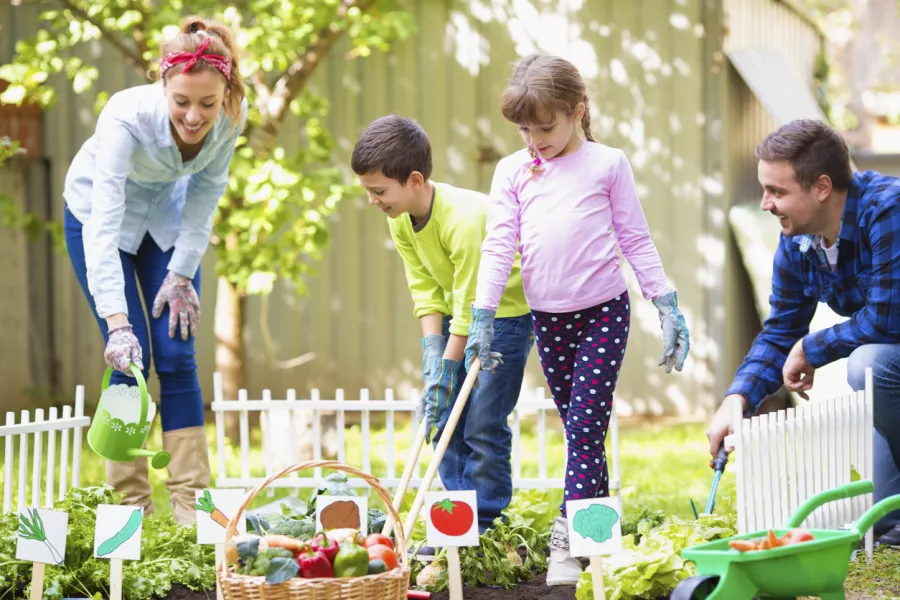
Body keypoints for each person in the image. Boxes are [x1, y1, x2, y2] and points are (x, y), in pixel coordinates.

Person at [464, 53, 690, 585]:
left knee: (585, 430)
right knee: (579, 431)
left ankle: (569, 542)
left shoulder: (607, 164)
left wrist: (666, 302)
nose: (534, 139)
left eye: (546, 127)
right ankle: (600, 546)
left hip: (603, 314)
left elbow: (634, 236)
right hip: (549, 318)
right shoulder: (512, 171)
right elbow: (499, 246)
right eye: (524, 128)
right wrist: (483, 314)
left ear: (577, 110)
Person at [62, 16, 247, 525]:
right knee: (131, 360)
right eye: (182, 101)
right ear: (162, 85)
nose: (194, 116)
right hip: (99, 223)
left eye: (207, 104)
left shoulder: (232, 115)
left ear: (226, 93)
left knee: (177, 354)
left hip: (165, 225)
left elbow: (207, 195)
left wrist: (182, 272)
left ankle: (192, 509)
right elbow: (104, 221)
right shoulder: (125, 116)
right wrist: (118, 324)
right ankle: (130, 514)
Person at [705, 118, 900, 547]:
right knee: (886, 526)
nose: (765, 204)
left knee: (867, 364)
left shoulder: (888, 209)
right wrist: (737, 399)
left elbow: (888, 319)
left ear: (822, 187)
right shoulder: (798, 242)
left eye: (776, 192)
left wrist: (811, 348)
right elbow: (780, 331)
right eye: (764, 190)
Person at [350, 115, 534, 539]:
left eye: (379, 191)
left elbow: (475, 305)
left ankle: (485, 525)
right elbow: (427, 291)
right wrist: (436, 361)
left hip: (501, 317)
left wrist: (448, 371)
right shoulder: (398, 220)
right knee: (444, 417)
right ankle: (456, 525)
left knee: (482, 422)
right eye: (368, 191)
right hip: (461, 315)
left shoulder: (465, 220)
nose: (373, 201)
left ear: (414, 180)